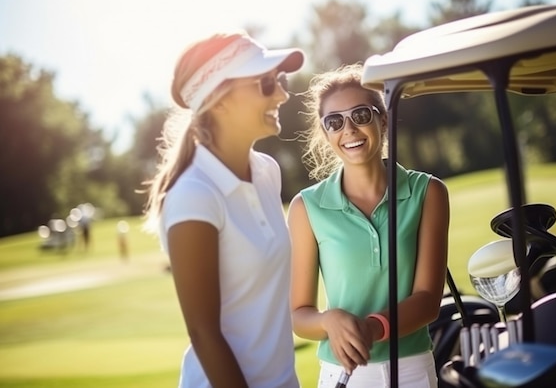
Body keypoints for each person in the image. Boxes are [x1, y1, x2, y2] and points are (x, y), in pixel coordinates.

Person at [143, 31, 304, 388]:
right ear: (218, 99)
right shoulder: (194, 195)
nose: (282, 93)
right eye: (265, 83)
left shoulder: (267, 172)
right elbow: (204, 334)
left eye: (279, 80)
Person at [287, 63, 450, 387]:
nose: (348, 130)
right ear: (326, 132)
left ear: (383, 118)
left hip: (412, 370)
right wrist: (328, 321)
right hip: (341, 373)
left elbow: (428, 300)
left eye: (360, 115)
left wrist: (374, 328)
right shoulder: (306, 207)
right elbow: (299, 316)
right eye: (334, 122)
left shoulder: (428, 192)